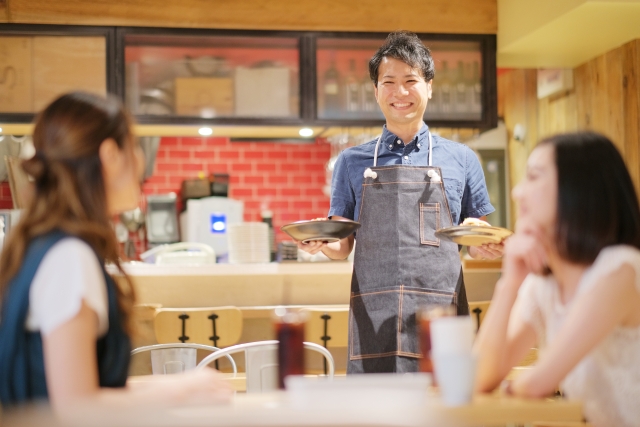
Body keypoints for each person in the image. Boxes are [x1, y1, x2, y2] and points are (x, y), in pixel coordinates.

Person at [0, 92, 231, 415]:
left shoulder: (45, 246)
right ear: (110, 154)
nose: (140, 159)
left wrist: (182, 385)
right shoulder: (70, 257)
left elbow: (82, 387)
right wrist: (181, 390)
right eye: (133, 145)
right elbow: (76, 407)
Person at [298, 31, 502, 374]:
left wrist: (486, 246)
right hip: (375, 314)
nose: (400, 92)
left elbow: (476, 240)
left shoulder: (463, 159)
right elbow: (341, 244)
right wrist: (319, 241)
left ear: (429, 87)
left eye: (410, 81)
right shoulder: (351, 162)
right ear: (376, 91)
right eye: (389, 82)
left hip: (441, 311)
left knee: (445, 400)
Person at [474, 131, 640, 427]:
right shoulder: (544, 284)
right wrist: (509, 283)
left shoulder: (619, 269)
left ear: (577, 190)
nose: (517, 192)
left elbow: (538, 383)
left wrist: (514, 388)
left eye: (533, 177)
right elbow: (479, 378)